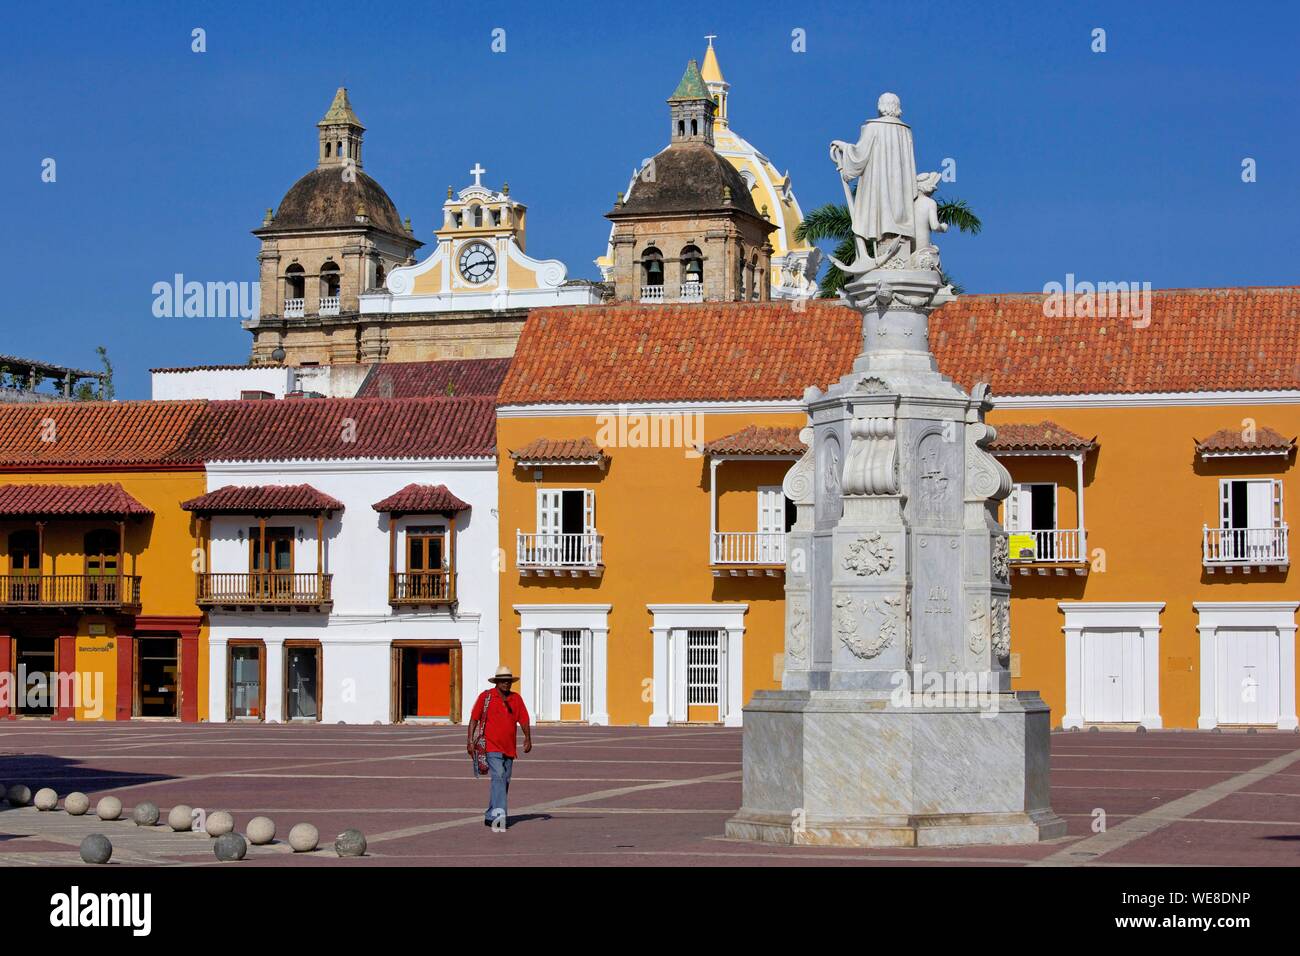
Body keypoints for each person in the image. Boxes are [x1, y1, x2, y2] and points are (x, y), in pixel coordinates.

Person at [467, 665, 532, 830]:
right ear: (496, 682)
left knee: (504, 781)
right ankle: (499, 818)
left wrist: (528, 738)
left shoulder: (516, 699)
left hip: (509, 748)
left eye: (508, 681)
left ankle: (490, 814)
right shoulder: (486, 697)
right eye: (503, 681)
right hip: (491, 746)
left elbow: (523, 719)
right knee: (499, 776)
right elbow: (474, 718)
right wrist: (469, 740)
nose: (506, 684)